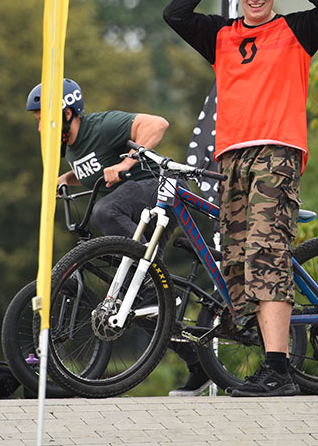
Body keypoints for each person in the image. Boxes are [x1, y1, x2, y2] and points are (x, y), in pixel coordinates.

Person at [163, 0, 318, 397]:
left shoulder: (297, 30)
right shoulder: (221, 35)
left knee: (267, 254)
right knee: (239, 261)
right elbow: (175, 13)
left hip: (277, 151)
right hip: (231, 157)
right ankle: (270, 362)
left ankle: (279, 370)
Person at [26, 79, 211, 396]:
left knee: (104, 212)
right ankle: (201, 366)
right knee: (136, 303)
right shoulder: (70, 148)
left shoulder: (102, 125)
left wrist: (127, 162)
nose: (41, 127)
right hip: (141, 213)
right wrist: (68, 178)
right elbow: (96, 166)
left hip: (159, 190)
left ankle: (151, 274)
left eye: (43, 118)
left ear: (68, 113)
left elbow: (157, 124)